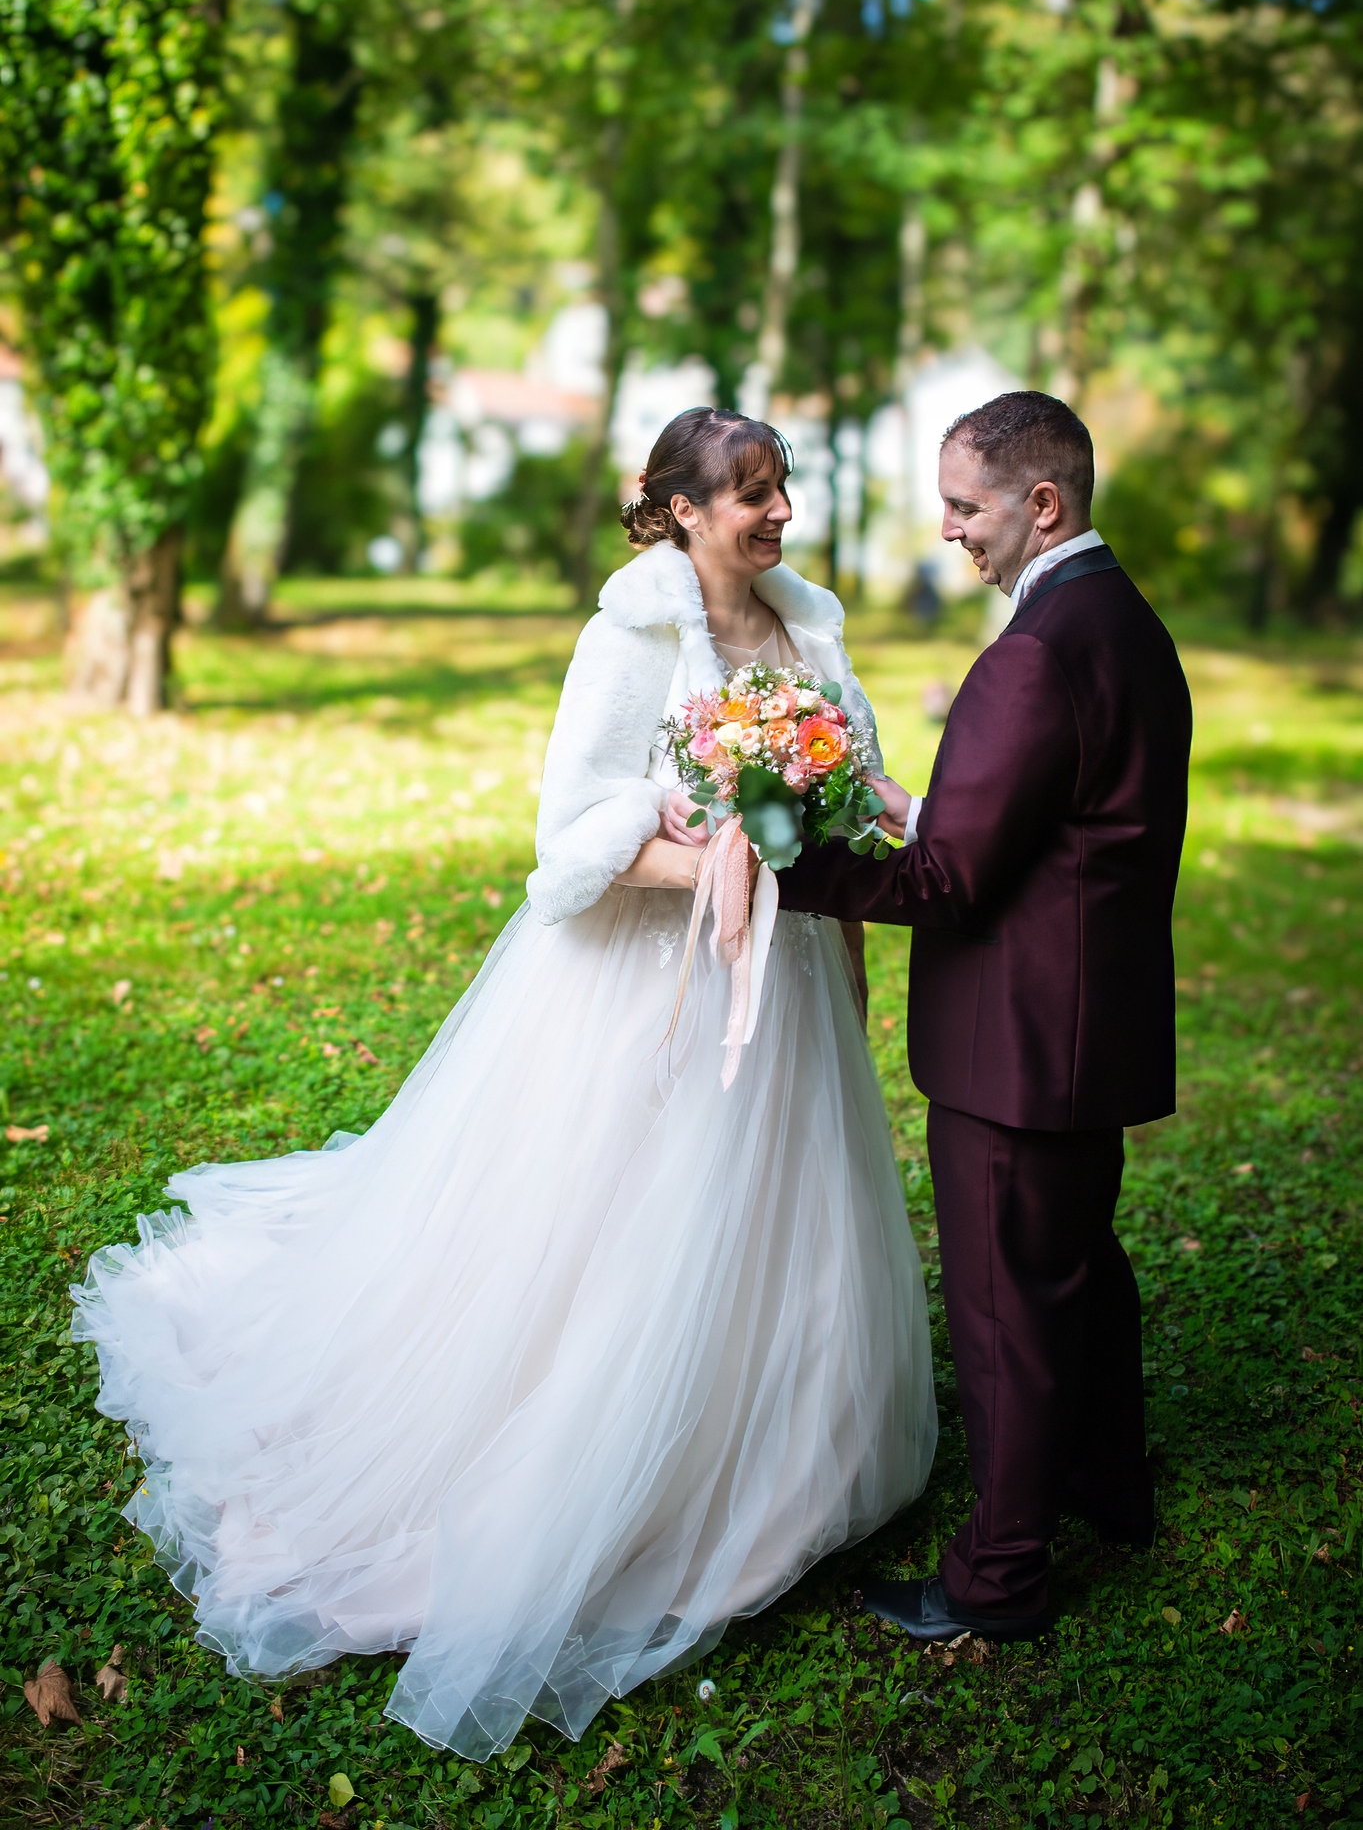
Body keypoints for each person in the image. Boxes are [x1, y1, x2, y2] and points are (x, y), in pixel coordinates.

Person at [72, 407, 936, 1760]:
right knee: (613, 1242)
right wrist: (714, 862)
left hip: (784, 996)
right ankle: (602, 1464)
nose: (777, 513)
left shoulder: (810, 633)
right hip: (640, 992)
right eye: (751, 494)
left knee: (782, 1228)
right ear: (680, 510)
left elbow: (851, 791)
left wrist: (827, 876)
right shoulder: (627, 639)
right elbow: (567, 842)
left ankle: (779, 1461)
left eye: (782, 489)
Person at [777, 390, 1192, 1642]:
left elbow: (950, 883)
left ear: (1041, 503)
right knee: (1077, 1272)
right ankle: (1104, 1486)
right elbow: (1066, 824)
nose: (949, 528)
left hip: (1016, 1046)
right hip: (1086, 1028)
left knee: (1010, 1310)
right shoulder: (1122, 621)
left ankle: (998, 1578)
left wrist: (787, 866)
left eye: (965, 505)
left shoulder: (1033, 651)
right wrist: (916, 804)